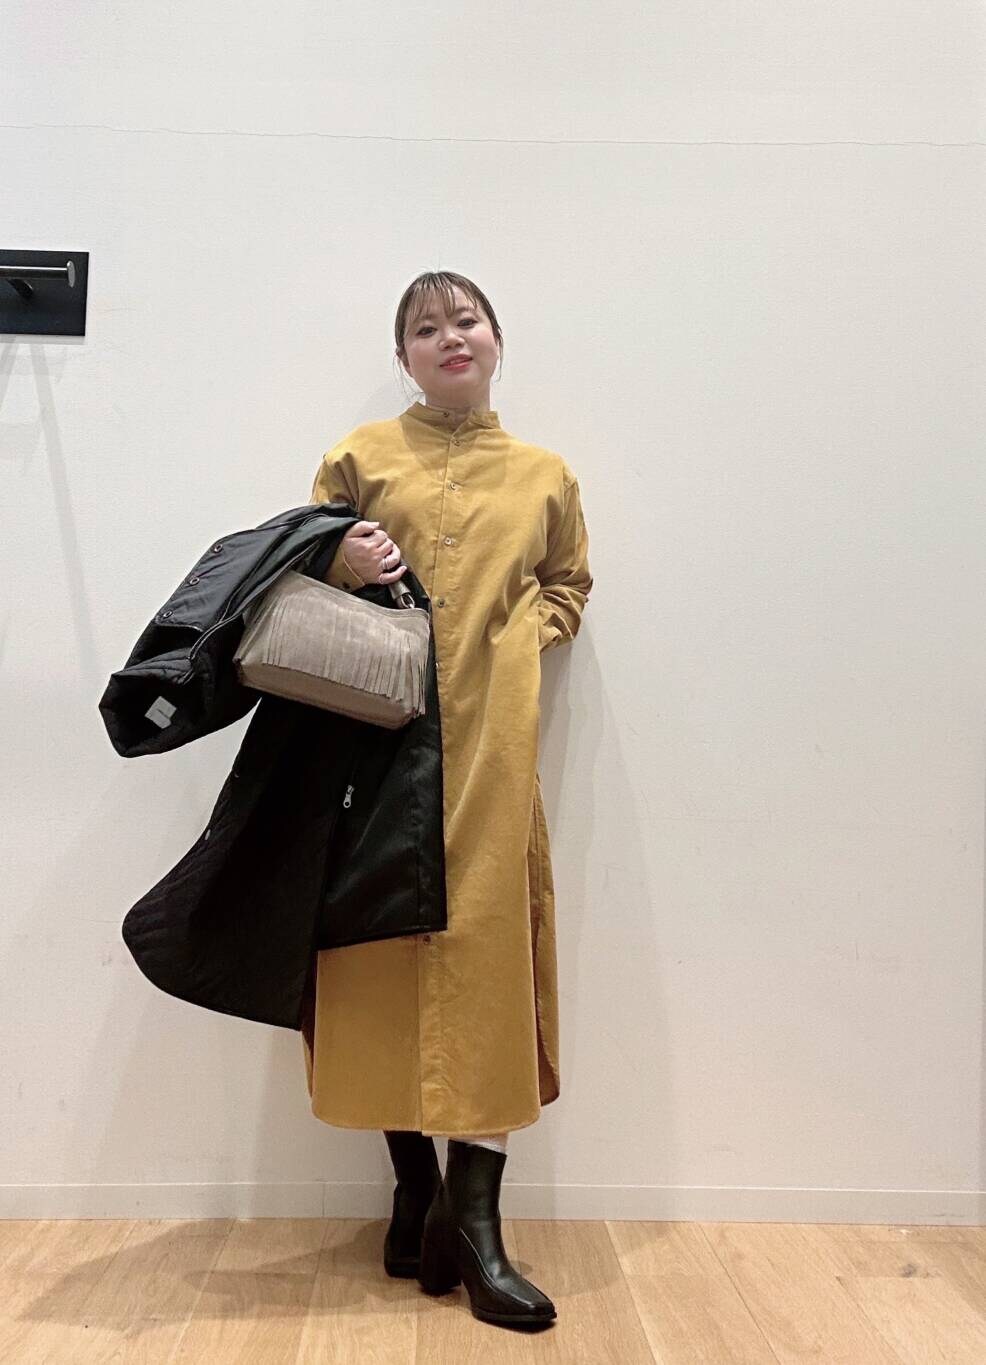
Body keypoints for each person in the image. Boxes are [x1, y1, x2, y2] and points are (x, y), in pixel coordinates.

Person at [304, 270, 593, 1329]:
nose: (448, 337)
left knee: (486, 965)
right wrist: (337, 553)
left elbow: (568, 584)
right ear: (405, 358)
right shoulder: (359, 458)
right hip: (376, 751)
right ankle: (412, 1193)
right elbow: (293, 580)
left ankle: (473, 1222)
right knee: (378, 953)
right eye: (425, 328)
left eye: (464, 319)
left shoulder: (544, 474)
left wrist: (518, 648)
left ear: (496, 339)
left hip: (490, 756)